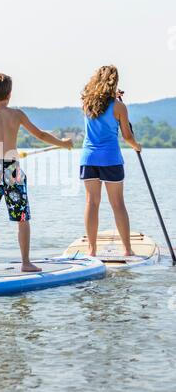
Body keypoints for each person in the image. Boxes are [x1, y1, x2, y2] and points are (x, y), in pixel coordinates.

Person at [0, 72, 73, 271]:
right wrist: (62, 143)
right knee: (22, 218)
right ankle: (25, 263)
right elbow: (40, 134)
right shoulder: (17, 114)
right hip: (11, 168)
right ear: (10, 94)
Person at [79, 65, 141, 257]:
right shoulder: (119, 106)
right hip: (110, 159)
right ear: (114, 82)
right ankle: (127, 250)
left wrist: (114, 96)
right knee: (118, 204)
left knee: (91, 203)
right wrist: (137, 146)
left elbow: (101, 103)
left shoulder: (86, 102)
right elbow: (127, 136)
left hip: (88, 158)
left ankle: (91, 250)